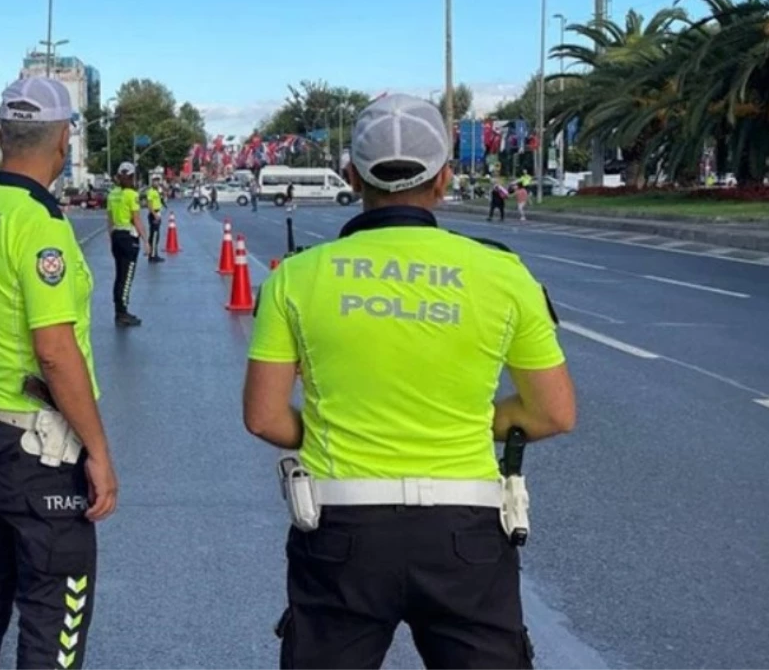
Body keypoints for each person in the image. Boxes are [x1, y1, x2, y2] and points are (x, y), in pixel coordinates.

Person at [243, 94, 576, 669]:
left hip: (341, 529)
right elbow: (553, 413)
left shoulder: (295, 278)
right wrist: (463, 418)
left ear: (351, 176)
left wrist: (343, 421)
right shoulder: (504, 274)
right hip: (465, 533)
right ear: (444, 179)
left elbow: (265, 416)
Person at [0, 76, 119, 670]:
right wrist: (98, 451)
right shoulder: (40, 226)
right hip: (37, 448)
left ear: (0, 137)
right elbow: (56, 353)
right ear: (62, 140)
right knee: (54, 604)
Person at [107, 161, 149, 327]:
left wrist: (111, 238)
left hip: (116, 235)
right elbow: (136, 219)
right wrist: (146, 241)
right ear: (131, 177)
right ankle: (122, 313)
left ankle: (119, 309)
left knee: (119, 276)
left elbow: (109, 220)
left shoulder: (112, 194)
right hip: (129, 238)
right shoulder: (132, 195)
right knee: (127, 276)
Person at [145, 183, 166, 263]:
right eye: (155, 181)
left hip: (157, 213)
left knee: (156, 235)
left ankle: (154, 254)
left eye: (158, 180)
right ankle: (153, 256)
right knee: (154, 236)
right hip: (154, 214)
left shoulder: (157, 191)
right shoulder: (151, 192)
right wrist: (155, 215)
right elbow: (149, 205)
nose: (156, 183)